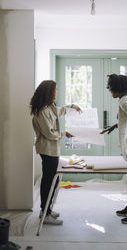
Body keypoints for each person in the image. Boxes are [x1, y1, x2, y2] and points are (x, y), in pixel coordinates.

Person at [30, 80, 81, 225]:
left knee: (52, 179)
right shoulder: (42, 111)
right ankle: (44, 213)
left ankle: (47, 210)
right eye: (55, 90)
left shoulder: (49, 107)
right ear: (49, 92)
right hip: (47, 150)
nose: (56, 92)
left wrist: (72, 107)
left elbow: (59, 111)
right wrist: (65, 134)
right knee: (49, 180)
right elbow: (50, 134)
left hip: (52, 149)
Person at [100, 74, 127, 224]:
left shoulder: (124, 101)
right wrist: (116, 125)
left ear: (117, 88)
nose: (110, 90)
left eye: (111, 88)